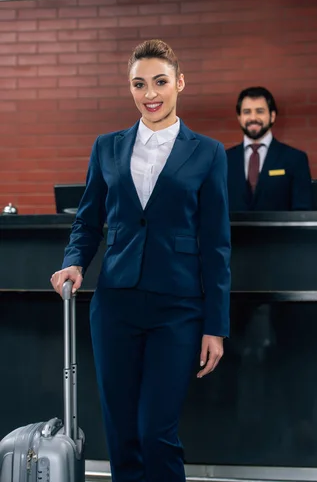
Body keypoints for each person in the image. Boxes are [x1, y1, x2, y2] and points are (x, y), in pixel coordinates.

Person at [50, 39, 231, 482]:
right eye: (139, 83)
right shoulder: (106, 147)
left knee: (156, 432)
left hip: (179, 307)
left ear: (180, 84)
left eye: (160, 82)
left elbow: (216, 242)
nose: (150, 93)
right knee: (122, 433)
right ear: (129, 89)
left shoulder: (207, 152)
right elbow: (88, 222)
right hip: (115, 306)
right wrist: (75, 261)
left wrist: (216, 324)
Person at [226, 86, 313, 211]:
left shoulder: (295, 159)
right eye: (247, 112)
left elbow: (304, 212)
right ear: (239, 117)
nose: (253, 118)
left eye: (260, 111)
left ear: (272, 116)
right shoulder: (223, 161)